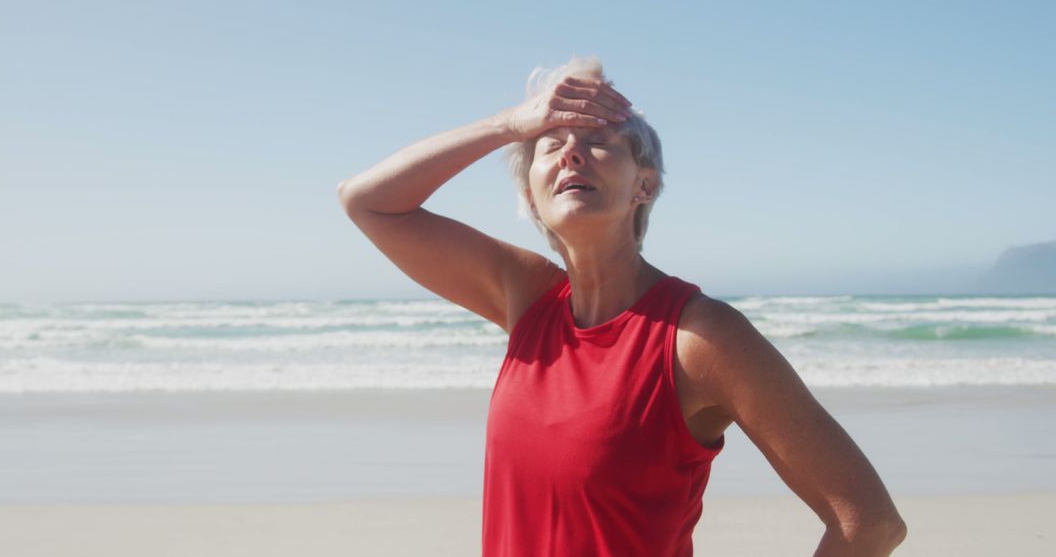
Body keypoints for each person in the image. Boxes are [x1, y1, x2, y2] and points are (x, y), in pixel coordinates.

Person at [337, 56, 906, 556]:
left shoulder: (700, 337)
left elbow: (869, 523)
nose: (572, 155)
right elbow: (367, 201)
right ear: (530, 195)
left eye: (598, 141)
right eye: (552, 145)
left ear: (645, 186)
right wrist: (511, 124)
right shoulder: (527, 297)